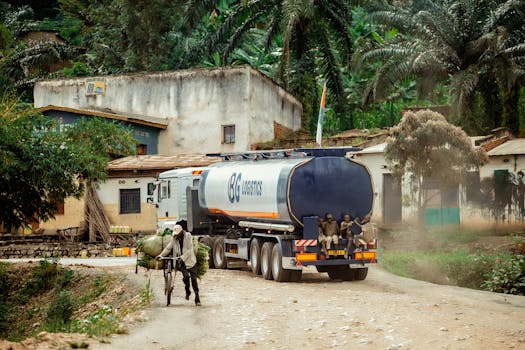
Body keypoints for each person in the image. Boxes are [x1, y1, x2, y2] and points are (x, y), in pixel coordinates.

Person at [156, 224, 201, 306]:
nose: (176, 235)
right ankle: (187, 291)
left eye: (178, 234)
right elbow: (168, 248)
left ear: (181, 232)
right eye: (175, 234)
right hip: (182, 263)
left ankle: (197, 299)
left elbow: (190, 249)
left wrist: (183, 257)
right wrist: (161, 255)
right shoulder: (174, 238)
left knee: (194, 280)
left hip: (191, 261)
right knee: (186, 277)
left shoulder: (188, 236)